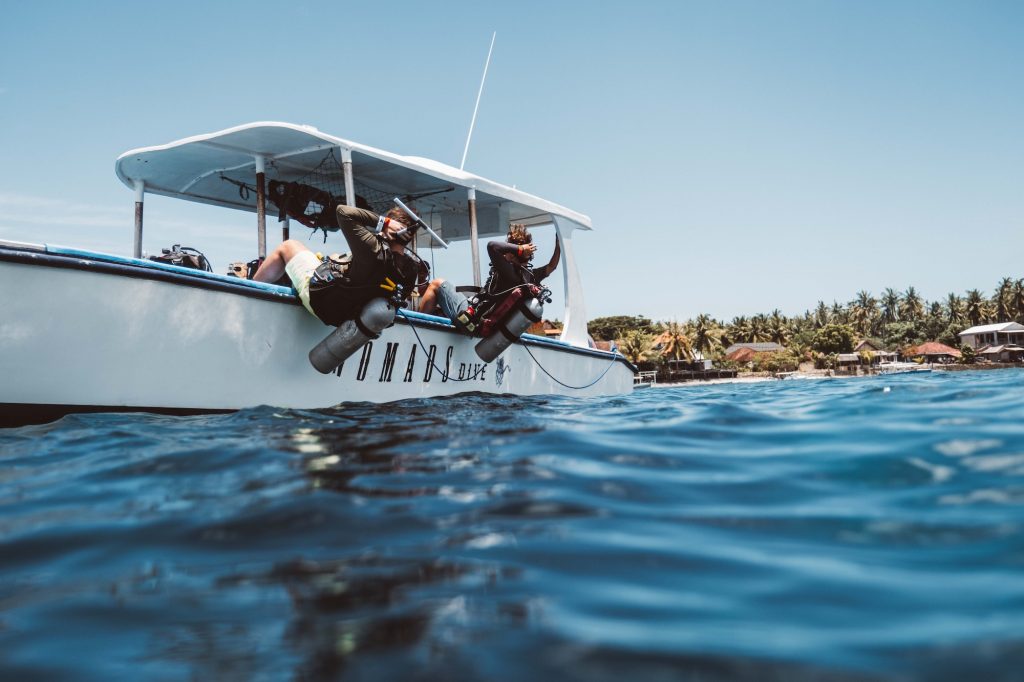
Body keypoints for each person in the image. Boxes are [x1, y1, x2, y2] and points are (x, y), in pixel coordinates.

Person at [253, 204, 424, 326]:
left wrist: (384, 222)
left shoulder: (373, 249)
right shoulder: (410, 270)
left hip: (322, 303)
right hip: (348, 319)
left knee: (288, 246)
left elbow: (343, 211)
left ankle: (249, 293)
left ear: (394, 229)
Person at [419, 223, 560, 322]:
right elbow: (551, 267)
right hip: (485, 318)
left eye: (508, 249)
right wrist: (559, 245)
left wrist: (518, 249)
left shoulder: (508, 272)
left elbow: (492, 246)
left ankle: (417, 327)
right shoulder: (530, 277)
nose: (504, 253)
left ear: (512, 254)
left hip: (475, 318)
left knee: (436, 284)